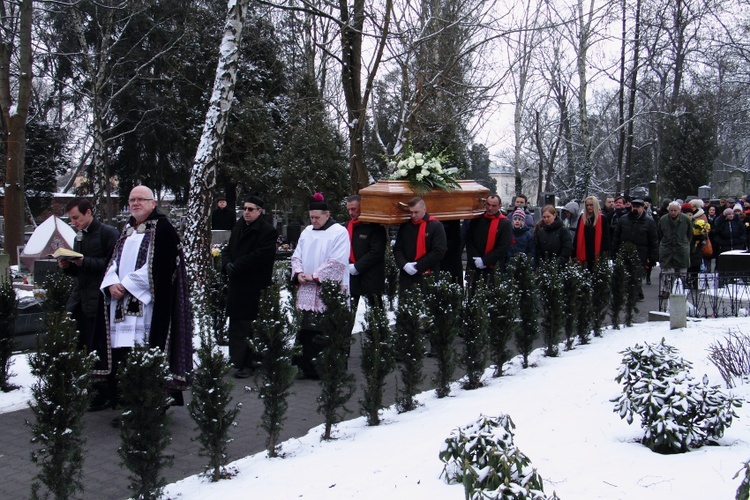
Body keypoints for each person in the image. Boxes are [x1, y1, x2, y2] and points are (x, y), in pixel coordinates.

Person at [97, 186, 193, 408]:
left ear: (153, 203)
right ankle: (126, 401)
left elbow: (161, 267)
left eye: (141, 199)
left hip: (146, 307)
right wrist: (111, 282)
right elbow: (113, 260)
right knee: (123, 353)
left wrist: (127, 285)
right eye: (132, 199)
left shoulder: (163, 229)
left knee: (143, 352)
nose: (135, 203)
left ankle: (148, 404)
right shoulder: (127, 229)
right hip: (120, 305)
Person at [291, 192, 350, 379]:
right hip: (307, 287)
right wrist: (299, 273)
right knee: (307, 328)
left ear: (327, 214)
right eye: (311, 217)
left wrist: (315, 276)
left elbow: (338, 261)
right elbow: (296, 255)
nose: (314, 221)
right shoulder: (306, 232)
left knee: (326, 328)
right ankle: (306, 367)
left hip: (327, 289)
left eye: (317, 217)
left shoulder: (339, 232)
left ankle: (328, 368)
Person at [222, 194, 278, 378]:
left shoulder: (267, 231)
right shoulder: (238, 226)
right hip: (237, 283)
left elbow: (261, 255)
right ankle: (237, 360)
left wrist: (236, 265)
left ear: (259, 211)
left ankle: (250, 362)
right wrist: (227, 263)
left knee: (251, 325)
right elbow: (228, 249)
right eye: (244, 208)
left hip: (254, 284)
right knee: (237, 324)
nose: (246, 212)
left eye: (250, 209)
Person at [60, 199, 119, 352]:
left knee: (99, 346)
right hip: (82, 298)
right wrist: (68, 266)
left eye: (76, 217)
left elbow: (114, 264)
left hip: (101, 298)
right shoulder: (78, 237)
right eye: (70, 219)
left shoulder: (108, 233)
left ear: (88, 212)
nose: (73, 222)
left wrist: (84, 261)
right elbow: (81, 271)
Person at [393, 197, 447, 293]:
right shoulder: (405, 226)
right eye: (411, 212)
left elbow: (439, 251)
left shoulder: (436, 226)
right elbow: (397, 248)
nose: (413, 215)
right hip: (406, 275)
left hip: (428, 274)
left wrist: (418, 266)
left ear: (424, 209)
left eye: (416, 212)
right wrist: (404, 265)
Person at [343, 194, 387, 310]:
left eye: (353, 209)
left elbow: (376, 252)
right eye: (348, 210)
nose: (351, 213)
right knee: (349, 312)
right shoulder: (347, 226)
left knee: (376, 311)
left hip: (371, 275)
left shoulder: (375, 228)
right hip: (352, 276)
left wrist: (357, 266)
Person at [612, 198, 658, 297]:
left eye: (638, 207)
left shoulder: (649, 222)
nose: (635, 209)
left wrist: (653, 256)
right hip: (624, 250)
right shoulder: (623, 220)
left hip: (641, 253)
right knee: (625, 273)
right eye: (634, 207)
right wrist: (614, 251)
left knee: (637, 274)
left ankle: (635, 294)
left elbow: (653, 240)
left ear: (642, 208)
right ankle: (629, 293)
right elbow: (616, 236)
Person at [465, 194, 512, 286]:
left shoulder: (505, 223)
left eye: (494, 206)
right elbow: (469, 241)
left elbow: (503, 246)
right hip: (475, 266)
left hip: (494, 268)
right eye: (488, 204)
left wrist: (485, 261)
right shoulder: (476, 220)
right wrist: (475, 258)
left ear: (499, 206)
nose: (490, 208)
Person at [657, 201, 693, 298]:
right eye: (671, 210)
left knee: (682, 270)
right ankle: (666, 290)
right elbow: (659, 233)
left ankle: (679, 290)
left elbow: (690, 233)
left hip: (681, 247)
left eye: (675, 210)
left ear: (679, 210)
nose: (673, 212)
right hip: (667, 247)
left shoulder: (685, 219)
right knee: (666, 271)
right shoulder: (663, 219)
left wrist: (684, 242)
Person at [573, 195, 610, 271]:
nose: (589, 207)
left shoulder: (602, 218)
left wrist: (603, 254)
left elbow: (605, 238)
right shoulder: (582, 218)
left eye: (591, 205)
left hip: (595, 252)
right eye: (587, 205)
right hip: (584, 250)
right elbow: (577, 236)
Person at [533, 205, 572, 270]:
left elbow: (567, 249)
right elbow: (538, 249)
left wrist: (558, 263)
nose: (546, 219)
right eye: (544, 217)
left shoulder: (563, 230)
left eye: (548, 217)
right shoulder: (541, 231)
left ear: (555, 215)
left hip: (560, 267)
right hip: (544, 266)